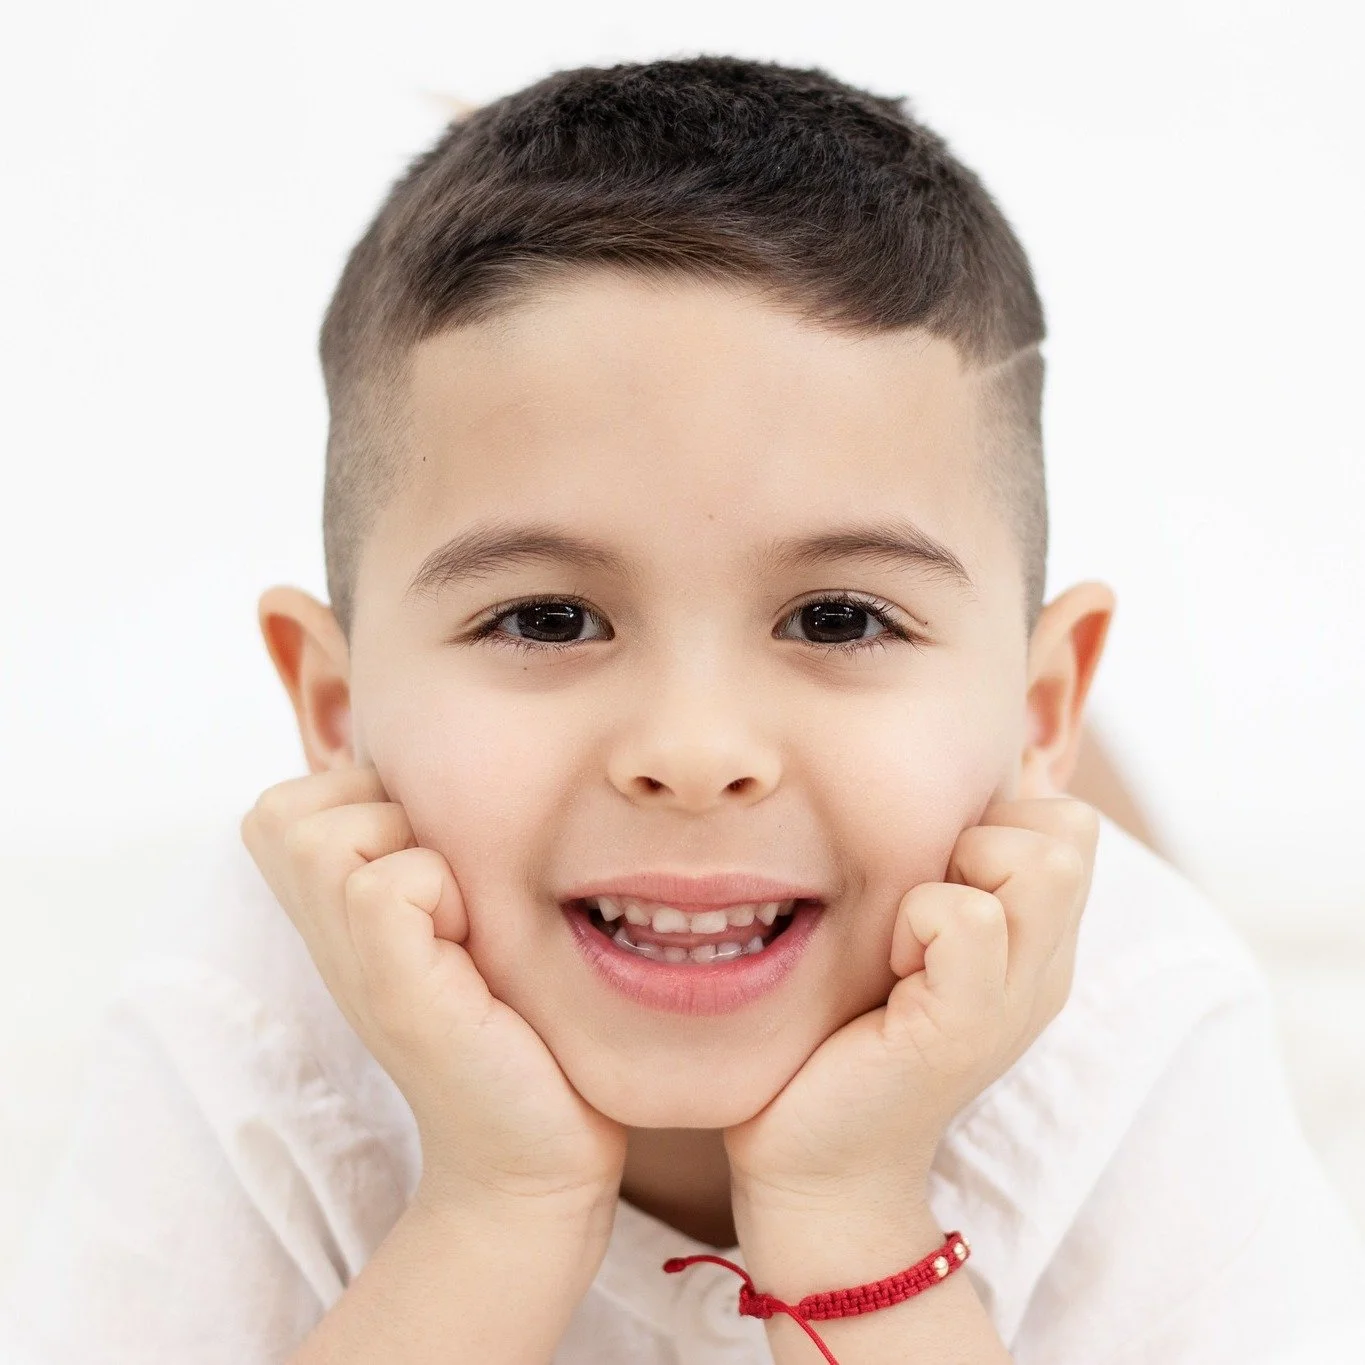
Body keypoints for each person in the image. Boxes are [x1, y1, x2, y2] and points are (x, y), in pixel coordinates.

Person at [3, 55, 1363, 1364]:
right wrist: (497, 1205)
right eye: (546, 617)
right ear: (334, 703)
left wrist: (847, 1213)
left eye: (838, 616)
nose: (694, 752)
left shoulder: (1142, 1013)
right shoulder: (242, 1013)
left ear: (1047, 700)